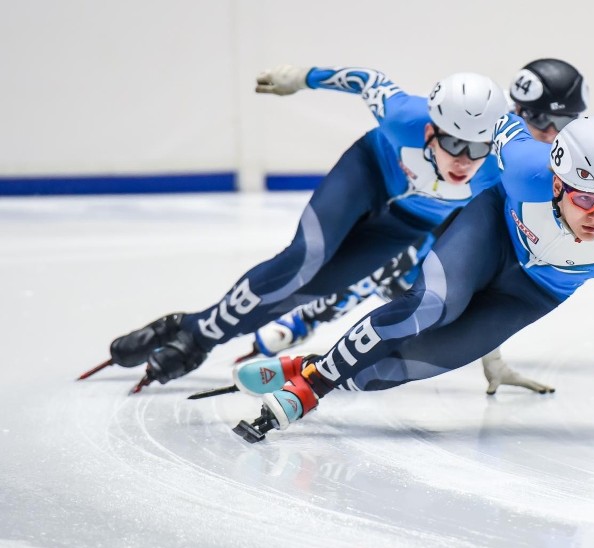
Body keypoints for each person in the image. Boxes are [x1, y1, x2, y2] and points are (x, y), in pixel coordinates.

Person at [231, 114, 594, 443]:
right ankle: (310, 387)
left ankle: (311, 366)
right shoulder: (524, 168)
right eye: (585, 199)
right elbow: (501, 122)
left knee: (404, 366)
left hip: (531, 292)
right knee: (431, 305)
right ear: (557, 182)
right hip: (490, 234)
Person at [238, 58, 594, 395]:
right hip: (438, 232)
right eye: (544, 123)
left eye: (565, 124)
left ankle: (312, 356)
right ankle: (297, 330)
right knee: (399, 279)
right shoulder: (495, 146)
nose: (553, 134)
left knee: (421, 307)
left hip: (469, 242)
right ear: (517, 113)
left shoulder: (564, 163)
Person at [100, 65, 509, 390]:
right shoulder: (403, 115)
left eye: (478, 148)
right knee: (304, 259)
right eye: (454, 144)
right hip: (368, 173)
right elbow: (368, 81)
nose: (465, 160)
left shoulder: (505, 167)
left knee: (309, 291)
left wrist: (493, 351)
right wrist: (299, 78)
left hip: (407, 223)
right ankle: (199, 341)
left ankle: (184, 328)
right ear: (428, 131)